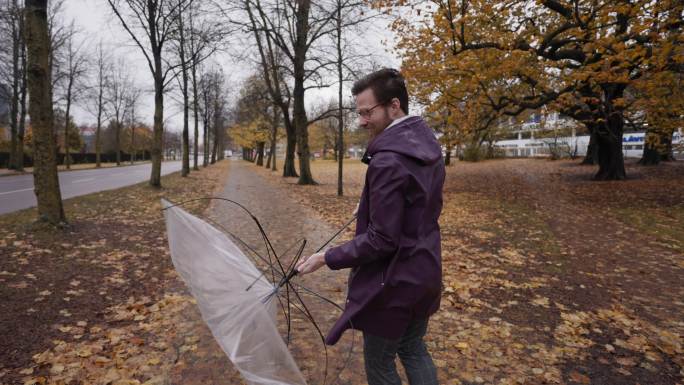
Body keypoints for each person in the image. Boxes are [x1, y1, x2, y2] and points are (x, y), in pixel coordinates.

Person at [295, 68, 445, 385]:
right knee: (414, 349)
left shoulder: (388, 159)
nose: (362, 121)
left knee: (380, 364)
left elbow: (381, 240)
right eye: (359, 113)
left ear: (393, 106)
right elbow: (422, 203)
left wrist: (326, 257)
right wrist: (372, 205)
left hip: (394, 283)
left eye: (366, 112)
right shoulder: (426, 144)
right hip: (426, 270)